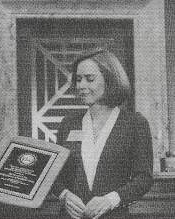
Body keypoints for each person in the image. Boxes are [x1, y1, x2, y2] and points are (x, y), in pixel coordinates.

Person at [52, 48, 153, 219]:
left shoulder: (135, 123)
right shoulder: (68, 123)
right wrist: (64, 195)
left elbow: (144, 178)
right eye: (78, 79)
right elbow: (53, 175)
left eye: (89, 79)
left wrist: (110, 200)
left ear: (110, 79)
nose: (81, 85)